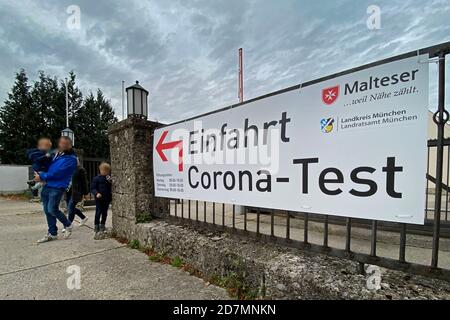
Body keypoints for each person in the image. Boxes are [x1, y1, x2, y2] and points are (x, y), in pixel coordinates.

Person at [34, 136, 77, 243]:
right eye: (61, 143)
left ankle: (68, 224)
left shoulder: (71, 159)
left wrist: (42, 176)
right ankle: (52, 233)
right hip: (47, 185)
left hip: (57, 187)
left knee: (52, 209)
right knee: (47, 211)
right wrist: (39, 171)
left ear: (70, 145)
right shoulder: (56, 155)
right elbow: (47, 166)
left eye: (66, 143)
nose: (63, 145)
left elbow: (58, 173)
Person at [91, 162, 112, 236]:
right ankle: (96, 225)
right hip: (99, 199)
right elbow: (93, 188)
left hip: (106, 199)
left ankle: (103, 224)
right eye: (104, 171)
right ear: (100, 170)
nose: (105, 172)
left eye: (107, 171)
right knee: (98, 212)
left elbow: (111, 187)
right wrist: (96, 193)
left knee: (105, 213)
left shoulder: (108, 178)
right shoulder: (96, 179)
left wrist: (110, 182)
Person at [66, 158, 89, 225]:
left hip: (76, 192)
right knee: (71, 208)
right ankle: (83, 217)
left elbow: (84, 182)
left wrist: (86, 193)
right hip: (68, 191)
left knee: (70, 208)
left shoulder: (80, 170)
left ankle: (68, 225)